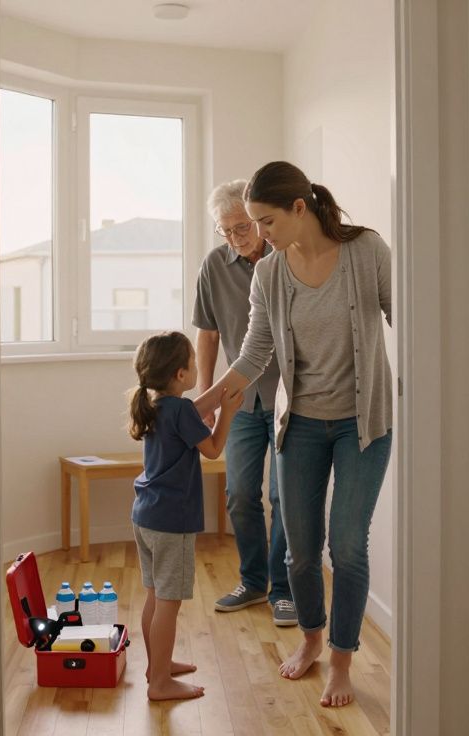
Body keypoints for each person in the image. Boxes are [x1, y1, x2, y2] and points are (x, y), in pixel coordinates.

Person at [195, 161, 393, 708]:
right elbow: (256, 351)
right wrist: (204, 404)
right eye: (250, 225)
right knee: (301, 554)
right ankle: (310, 639)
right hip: (300, 424)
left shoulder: (366, 251)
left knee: (348, 546)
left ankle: (341, 659)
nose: (258, 236)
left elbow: (412, 317)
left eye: (265, 222)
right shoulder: (270, 273)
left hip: (364, 425)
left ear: (299, 209)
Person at [195, 180, 297, 626]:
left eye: (242, 227)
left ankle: (284, 589)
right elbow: (208, 333)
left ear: (258, 219)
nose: (236, 237)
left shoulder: (291, 257)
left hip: (288, 398)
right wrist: (207, 397)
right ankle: (253, 582)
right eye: (227, 230)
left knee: (284, 496)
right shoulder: (214, 267)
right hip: (238, 400)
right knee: (240, 495)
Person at [128, 330, 243, 702]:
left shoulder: (157, 406)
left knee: (153, 597)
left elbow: (190, 427)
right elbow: (212, 449)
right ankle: (160, 682)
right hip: (171, 522)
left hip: (145, 516)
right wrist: (227, 413)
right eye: (194, 365)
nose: (197, 371)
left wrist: (211, 409)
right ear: (180, 374)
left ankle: (155, 666)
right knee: (169, 603)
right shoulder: (179, 410)